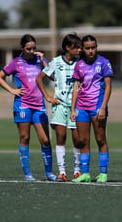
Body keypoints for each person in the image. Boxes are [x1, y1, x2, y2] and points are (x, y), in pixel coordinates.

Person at [0, 34, 57, 181]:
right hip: (23, 105)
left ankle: (49, 173)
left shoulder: (40, 61)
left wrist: (43, 61)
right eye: (29, 48)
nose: (32, 51)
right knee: (25, 137)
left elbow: (53, 77)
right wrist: (12, 90)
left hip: (39, 105)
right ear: (22, 48)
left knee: (45, 140)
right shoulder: (15, 63)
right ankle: (28, 174)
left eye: (34, 48)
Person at [36, 33, 82, 182]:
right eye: (77, 47)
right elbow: (39, 78)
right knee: (61, 137)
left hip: (76, 106)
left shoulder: (81, 63)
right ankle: (62, 172)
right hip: (60, 105)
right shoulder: (56, 62)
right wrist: (48, 97)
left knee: (78, 140)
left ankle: (77, 171)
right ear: (68, 48)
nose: (80, 50)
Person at [70, 35, 113, 183]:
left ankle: (103, 173)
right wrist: (72, 108)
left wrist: (103, 107)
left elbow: (108, 87)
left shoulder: (104, 63)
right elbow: (76, 87)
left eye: (93, 47)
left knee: (100, 139)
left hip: (97, 107)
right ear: (82, 49)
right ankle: (85, 173)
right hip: (81, 108)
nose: (91, 51)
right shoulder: (79, 64)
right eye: (87, 48)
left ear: (96, 47)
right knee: (83, 141)